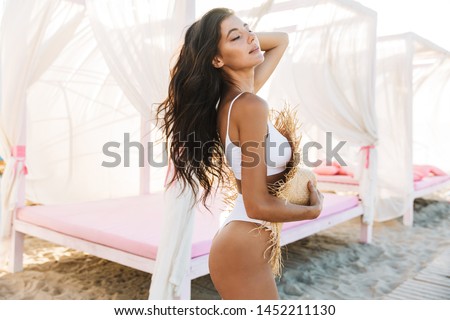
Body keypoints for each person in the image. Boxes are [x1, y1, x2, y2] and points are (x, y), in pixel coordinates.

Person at [157, 8, 323, 300]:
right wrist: (312, 211)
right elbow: (257, 204)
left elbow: (281, 40)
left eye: (249, 29)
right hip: (244, 245)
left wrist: (240, 36)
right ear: (217, 59)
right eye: (236, 37)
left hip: (242, 242)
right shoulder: (247, 105)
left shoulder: (237, 100)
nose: (250, 38)